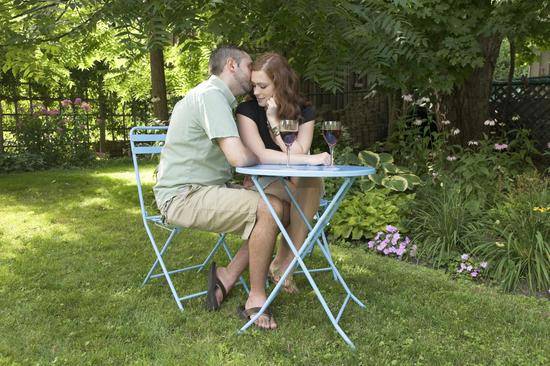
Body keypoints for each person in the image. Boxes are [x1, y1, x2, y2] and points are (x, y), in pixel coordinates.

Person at [153, 45, 283, 330]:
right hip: (184, 196)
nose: (253, 74)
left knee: (278, 205)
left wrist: (241, 174)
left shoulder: (216, 98)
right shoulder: (211, 96)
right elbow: (239, 156)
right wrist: (256, 156)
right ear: (232, 66)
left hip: (203, 188)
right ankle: (256, 296)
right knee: (270, 208)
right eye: (250, 66)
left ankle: (227, 275)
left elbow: (223, 159)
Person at [236, 52, 331, 294]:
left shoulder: (304, 111)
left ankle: (283, 263)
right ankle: (285, 267)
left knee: (311, 181)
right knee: (308, 186)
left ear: (279, 83)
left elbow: (297, 150)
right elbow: (261, 156)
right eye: (253, 85)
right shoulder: (246, 110)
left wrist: (274, 120)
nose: (256, 91)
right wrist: (309, 159)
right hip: (262, 182)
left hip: (295, 183)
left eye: (262, 86)